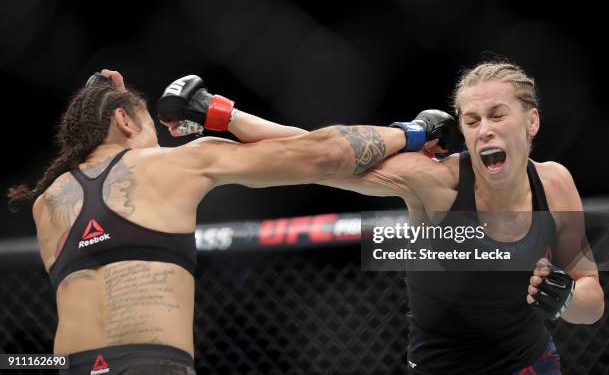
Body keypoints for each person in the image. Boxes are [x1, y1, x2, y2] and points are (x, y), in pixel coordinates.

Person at [7, 69, 448, 374]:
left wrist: (98, 100)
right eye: (147, 128)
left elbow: (91, 162)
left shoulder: (46, 203)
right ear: (123, 120)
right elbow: (325, 153)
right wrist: (412, 132)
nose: (156, 141)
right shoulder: (174, 164)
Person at [204, 61, 605, 374]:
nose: (484, 130)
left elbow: (592, 301)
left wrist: (566, 298)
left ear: (531, 121)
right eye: (471, 120)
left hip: (529, 365)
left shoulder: (553, 183)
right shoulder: (437, 182)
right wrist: (223, 114)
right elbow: (316, 154)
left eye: (497, 115)